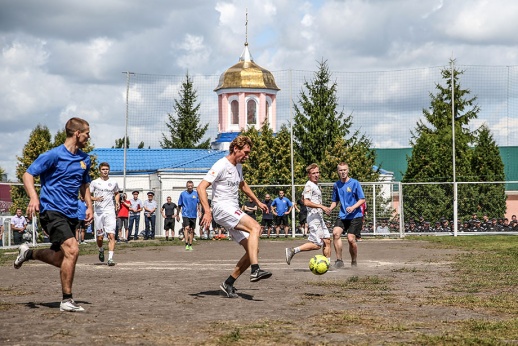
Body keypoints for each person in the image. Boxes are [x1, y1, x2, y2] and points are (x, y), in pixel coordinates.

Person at [16, 117, 93, 312]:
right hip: (51, 210)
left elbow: (84, 185)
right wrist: (34, 198)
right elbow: (28, 174)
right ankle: (67, 300)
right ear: (77, 134)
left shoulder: (85, 159)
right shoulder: (53, 155)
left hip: (71, 213)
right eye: (86, 133)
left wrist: (89, 206)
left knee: (61, 258)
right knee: (73, 249)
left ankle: (28, 253)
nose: (88, 137)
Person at [197, 135, 272, 298]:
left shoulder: (238, 166)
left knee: (253, 249)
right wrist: (207, 211)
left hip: (232, 209)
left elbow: (242, 185)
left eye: (249, 153)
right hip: (222, 208)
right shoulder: (221, 164)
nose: (247, 156)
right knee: (256, 227)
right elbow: (201, 187)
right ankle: (255, 270)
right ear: (235, 149)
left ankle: (228, 283)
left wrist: (257, 202)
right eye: (245, 152)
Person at [285, 164, 331, 266]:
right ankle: (293, 250)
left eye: (317, 172)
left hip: (319, 217)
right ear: (309, 175)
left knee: (327, 240)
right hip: (314, 218)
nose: (316, 175)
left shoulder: (314, 185)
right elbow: (305, 202)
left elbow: (302, 198)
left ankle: (327, 264)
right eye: (313, 173)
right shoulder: (309, 185)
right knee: (317, 244)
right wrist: (321, 207)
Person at [329, 162, 366, 268]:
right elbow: (335, 201)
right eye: (340, 170)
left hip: (355, 215)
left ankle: (354, 261)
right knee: (336, 233)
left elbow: (362, 199)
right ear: (338, 172)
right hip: (343, 215)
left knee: (350, 239)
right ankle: (339, 260)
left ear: (348, 170)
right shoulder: (336, 185)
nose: (343, 172)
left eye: (344, 170)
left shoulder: (355, 183)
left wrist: (353, 207)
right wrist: (330, 208)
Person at [90, 162, 120, 266]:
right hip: (99, 211)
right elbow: (86, 196)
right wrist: (95, 198)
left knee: (111, 235)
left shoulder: (113, 182)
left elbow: (117, 193)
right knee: (100, 237)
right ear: (100, 170)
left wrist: (117, 202)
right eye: (103, 169)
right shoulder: (94, 182)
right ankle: (101, 249)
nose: (105, 171)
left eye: (107, 169)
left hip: (110, 211)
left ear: (109, 170)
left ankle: (110, 258)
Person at [177, 180, 199, 250]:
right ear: (186, 186)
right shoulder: (183, 194)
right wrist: (177, 214)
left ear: (193, 186)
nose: (190, 187)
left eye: (191, 186)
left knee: (192, 230)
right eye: (188, 186)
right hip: (185, 214)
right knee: (186, 228)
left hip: (193, 214)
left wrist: (200, 211)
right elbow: (179, 205)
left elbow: (199, 203)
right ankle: (186, 243)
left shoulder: (196, 194)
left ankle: (190, 244)